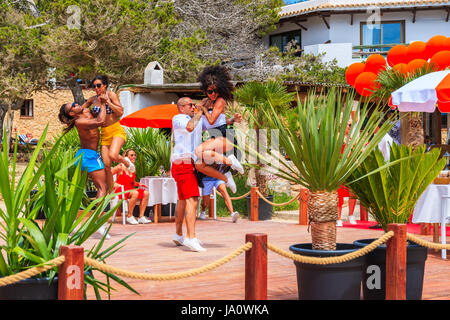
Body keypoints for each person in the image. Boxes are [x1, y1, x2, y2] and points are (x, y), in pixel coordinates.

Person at [58, 101, 110, 239]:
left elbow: (90, 100)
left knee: (78, 190)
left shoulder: (85, 111)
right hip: (90, 156)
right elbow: (100, 121)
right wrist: (104, 104)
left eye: (75, 103)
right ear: (71, 113)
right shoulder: (80, 121)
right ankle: (98, 224)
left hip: (82, 155)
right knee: (102, 188)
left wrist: (99, 95)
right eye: (73, 106)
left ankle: (71, 224)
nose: (77, 104)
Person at [194, 66, 244, 192]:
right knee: (199, 164)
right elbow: (212, 124)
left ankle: (230, 161)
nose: (213, 94)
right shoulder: (206, 101)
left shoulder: (220, 101)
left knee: (199, 151)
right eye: (210, 91)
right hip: (213, 136)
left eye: (216, 91)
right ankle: (226, 176)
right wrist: (232, 120)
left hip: (224, 135)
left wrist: (203, 109)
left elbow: (212, 120)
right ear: (205, 90)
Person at [81, 75, 132, 191]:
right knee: (107, 166)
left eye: (98, 85)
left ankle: (126, 162)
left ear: (105, 85)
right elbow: (81, 110)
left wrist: (107, 102)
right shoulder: (92, 100)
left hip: (116, 130)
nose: (96, 88)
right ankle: (111, 192)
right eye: (94, 86)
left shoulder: (111, 95)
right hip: (104, 134)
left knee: (113, 155)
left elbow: (120, 112)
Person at [171, 97, 206, 252]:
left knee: (183, 200)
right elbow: (190, 127)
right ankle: (190, 237)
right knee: (192, 199)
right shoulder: (179, 118)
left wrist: (231, 119)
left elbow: (206, 126)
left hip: (184, 164)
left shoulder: (192, 119)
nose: (193, 107)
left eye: (194, 105)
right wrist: (199, 112)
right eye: (190, 105)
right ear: (182, 107)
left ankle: (178, 234)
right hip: (183, 163)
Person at [111, 149, 151, 225]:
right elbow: (108, 174)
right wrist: (113, 183)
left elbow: (132, 182)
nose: (134, 157)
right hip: (120, 189)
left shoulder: (132, 168)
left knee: (146, 193)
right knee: (135, 193)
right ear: (126, 157)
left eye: (135, 155)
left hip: (129, 188)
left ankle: (141, 217)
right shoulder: (120, 166)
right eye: (131, 155)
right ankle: (130, 216)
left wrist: (138, 184)